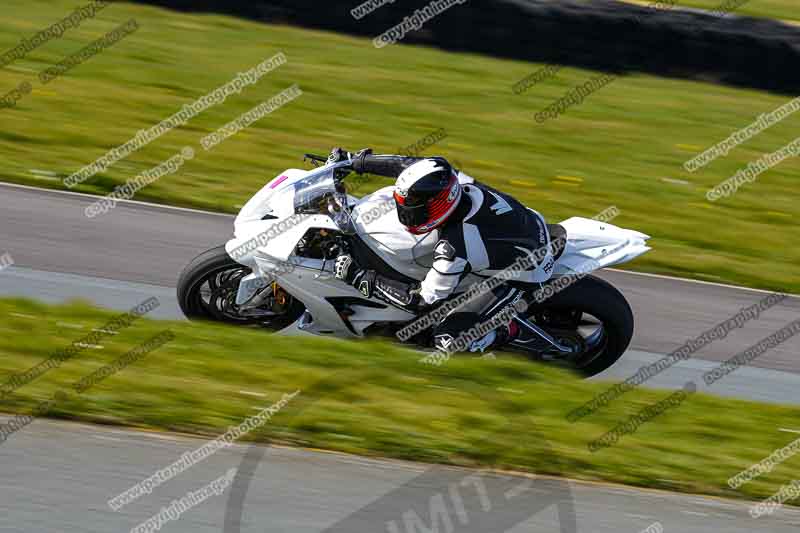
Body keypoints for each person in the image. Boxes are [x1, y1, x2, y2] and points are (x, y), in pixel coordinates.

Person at [330, 147, 557, 355]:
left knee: (448, 341)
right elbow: (406, 164)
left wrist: (361, 277)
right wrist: (355, 161)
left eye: (413, 211)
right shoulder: (451, 179)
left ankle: (510, 330)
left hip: (524, 275)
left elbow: (421, 301)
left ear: (438, 206)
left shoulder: (456, 247)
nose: (406, 215)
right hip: (525, 227)